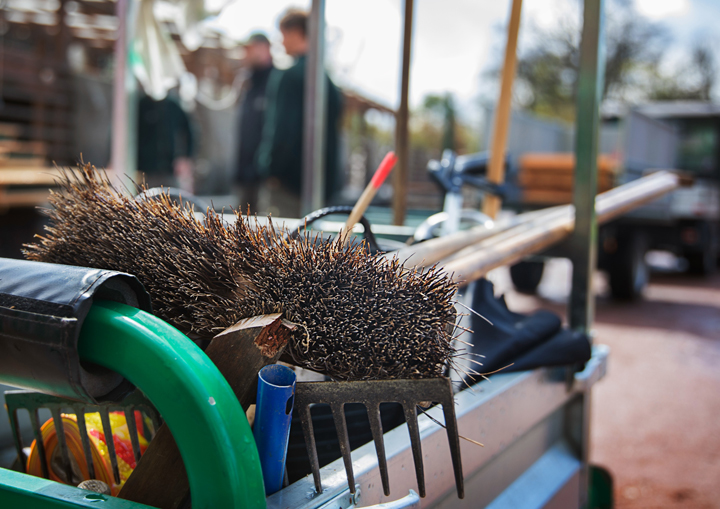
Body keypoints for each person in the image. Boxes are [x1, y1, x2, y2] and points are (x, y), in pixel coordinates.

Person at [256, 8, 342, 218]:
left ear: (295, 33)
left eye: (283, 35)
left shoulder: (290, 77)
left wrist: (271, 170)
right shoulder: (329, 83)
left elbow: (282, 130)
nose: (281, 42)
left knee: (279, 244)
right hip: (322, 188)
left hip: (288, 187)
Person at [235, 33, 274, 213]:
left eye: (249, 50)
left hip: (266, 178)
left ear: (263, 48)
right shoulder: (249, 84)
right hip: (245, 175)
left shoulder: (276, 82)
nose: (246, 55)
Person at [136, 93, 195, 192]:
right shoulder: (140, 105)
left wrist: (185, 158)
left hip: (170, 169)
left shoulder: (173, 106)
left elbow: (189, 132)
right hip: (144, 171)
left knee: (173, 199)